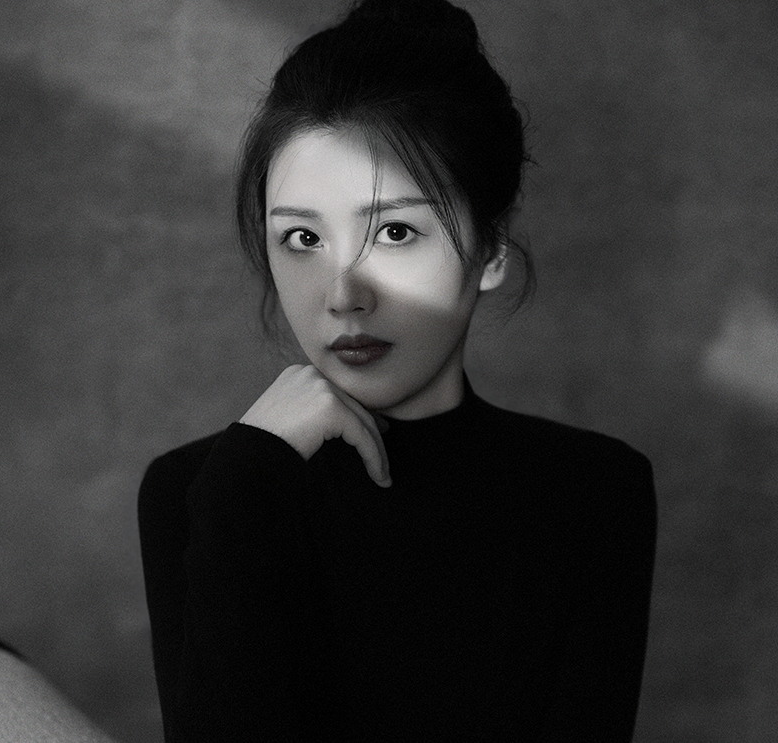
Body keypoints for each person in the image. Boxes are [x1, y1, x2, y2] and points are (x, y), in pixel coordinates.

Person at [138, 0, 657, 740]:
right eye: (302, 238)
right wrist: (247, 483)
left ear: (491, 250)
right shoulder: (203, 491)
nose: (343, 295)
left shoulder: (592, 494)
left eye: (394, 230)